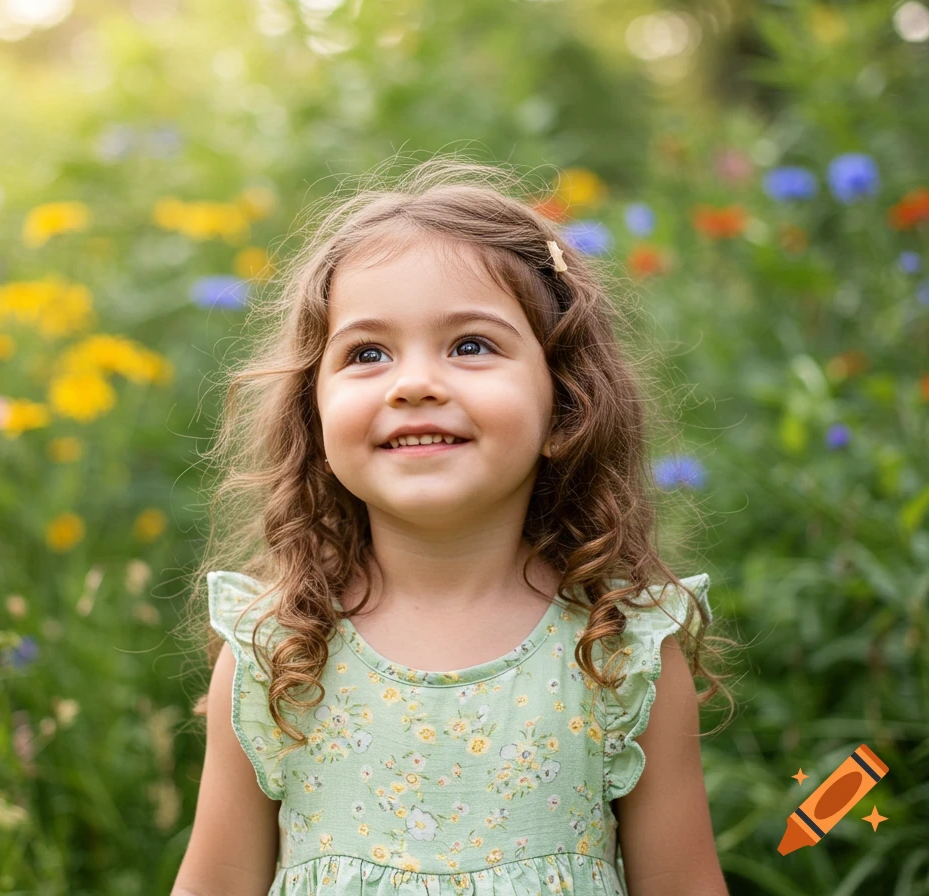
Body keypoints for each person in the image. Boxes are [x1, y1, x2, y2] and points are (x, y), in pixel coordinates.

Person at [172, 159, 735, 896]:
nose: (415, 384)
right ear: (313, 412)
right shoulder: (275, 652)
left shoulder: (623, 650)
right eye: (367, 353)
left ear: (566, 400)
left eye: (470, 345)